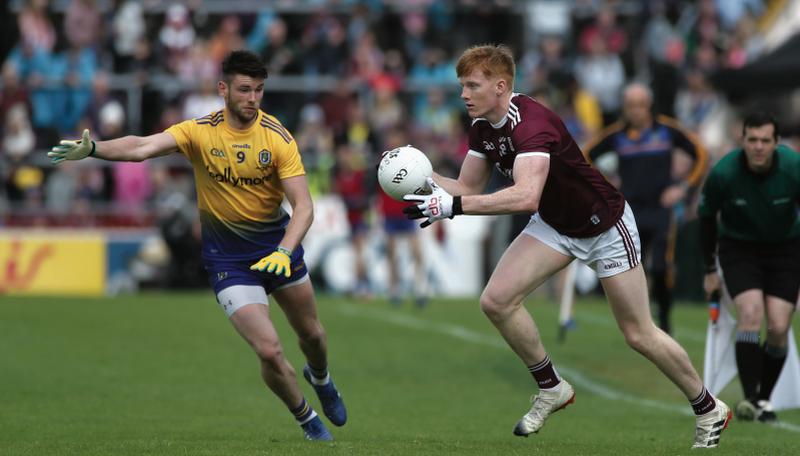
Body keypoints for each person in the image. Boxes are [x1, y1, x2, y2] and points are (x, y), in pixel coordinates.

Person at [402, 44, 730, 448]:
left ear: (501, 85)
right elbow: (467, 187)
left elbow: (524, 197)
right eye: (462, 86)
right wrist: (419, 175)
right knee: (496, 301)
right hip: (556, 225)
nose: (464, 94)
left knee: (638, 334)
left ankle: (708, 407)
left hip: (605, 226)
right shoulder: (482, 126)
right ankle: (552, 387)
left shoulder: (531, 124)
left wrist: (452, 206)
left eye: (473, 85)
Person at [48, 50, 346, 441]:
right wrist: (94, 150)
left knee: (314, 336)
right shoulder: (199, 131)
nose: (253, 98)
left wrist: (285, 251)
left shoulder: (277, 137)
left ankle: (321, 378)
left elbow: (304, 207)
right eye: (244, 89)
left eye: (258, 90)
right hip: (229, 261)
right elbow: (141, 147)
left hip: (279, 249)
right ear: (223, 89)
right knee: (270, 350)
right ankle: (306, 418)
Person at [698, 112, 800, 423]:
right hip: (739, 249)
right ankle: (750, 397)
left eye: (765, 141)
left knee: (779, 327)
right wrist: (710, 270)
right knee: (751, 314)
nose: (758, 147)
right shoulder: (725, 173)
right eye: (752, 140)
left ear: (776, 143)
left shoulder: (793, 167)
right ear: (742, 140)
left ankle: (763, 399)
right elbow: (706, 220)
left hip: (785, 249)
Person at [584, 82, 708, 335]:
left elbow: (701, 154)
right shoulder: (616, 135)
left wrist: (683, 188)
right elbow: (585, 156)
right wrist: (607, 184)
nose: (636, 111)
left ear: (649, 106)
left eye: (640, 105)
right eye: (630, 106)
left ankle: (664, 320)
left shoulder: (666, 131)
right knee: (630, 269)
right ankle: (639, 323)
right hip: (628, 212)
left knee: (661, 266)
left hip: (661, 209)